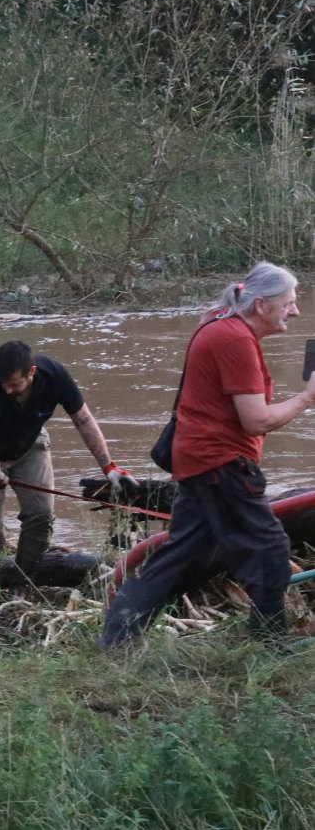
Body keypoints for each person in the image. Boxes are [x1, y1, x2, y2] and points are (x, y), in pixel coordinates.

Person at [102, 263, 315, 646]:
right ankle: (271, 643)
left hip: (199, 461)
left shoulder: (219, 320)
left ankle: (117, 639)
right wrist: (308, 397)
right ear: (262, 305)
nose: (295, 312)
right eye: (289, 303)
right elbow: (256, 421)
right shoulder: (235, 339)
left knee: (183, 557)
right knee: (268, 551)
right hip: (223, 464)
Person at [0, 340, 136, 577]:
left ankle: (22, 581)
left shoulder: (55, 375)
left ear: (31, 372)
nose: (7, 391)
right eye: (3, 384)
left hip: (29, 444)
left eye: (14, 384)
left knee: (41, 517)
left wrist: (109, 467)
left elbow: (83, 420)